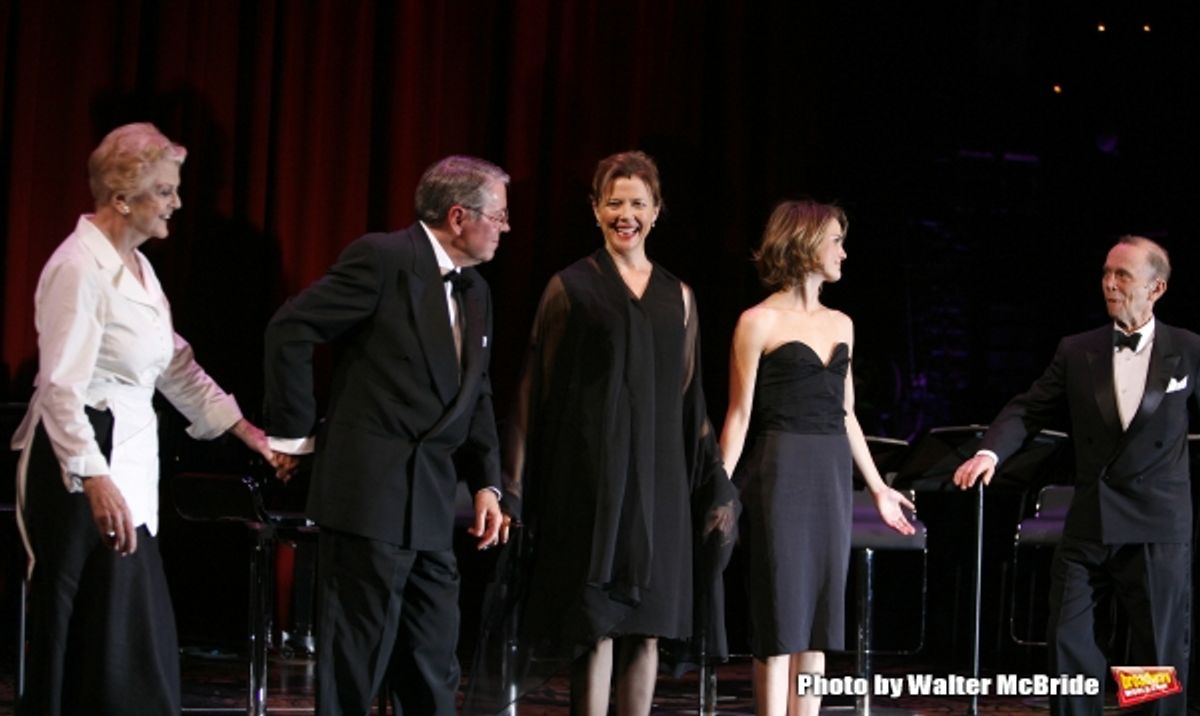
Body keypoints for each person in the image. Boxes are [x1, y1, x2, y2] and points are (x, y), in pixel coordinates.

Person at [9, 122, 276, 715]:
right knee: (95, 635)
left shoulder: (137, 268)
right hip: (79, 469)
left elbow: (171, 363)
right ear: (123, 197)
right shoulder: (78, 268)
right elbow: (59, 387)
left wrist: (243, 429)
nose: (177, 203)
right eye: (165, 191)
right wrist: (94, 479)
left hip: (125, 468)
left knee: (129, 637)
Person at [263, 155, 509, 715]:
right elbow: (291, 329)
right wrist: (296, 437)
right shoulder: (384, 259)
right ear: (457, 215)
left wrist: (487, 484)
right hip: (369, 500)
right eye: (498, 216)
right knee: (355, 664)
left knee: (432, 661)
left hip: (433, 504)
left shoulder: (476, 291)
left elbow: (479, 392)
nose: (505, 227)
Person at [494, 150, 737, 715]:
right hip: (592, 487)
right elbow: (534, 392)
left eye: (637, 203)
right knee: (595, 627)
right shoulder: (572, 287)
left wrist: (715, 483)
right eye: (614, 202)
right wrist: (513, 484)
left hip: (660, 489)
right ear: (596, 209)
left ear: (657, 211)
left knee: (647, 627)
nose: (625, 214)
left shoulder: (679, 296)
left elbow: (688, 397)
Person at [954, 236, 1199, 716]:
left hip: (1156, 526)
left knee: (1153, 657)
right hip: (1090, 523)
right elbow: (1027, 409)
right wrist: (990, 454)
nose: (1109, 283)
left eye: (1123, 275)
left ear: (1157, 288)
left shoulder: (1189, 350)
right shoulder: (1078, 350)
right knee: (1070, 645)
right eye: (1106, 273)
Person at [718, 199, 915, 716]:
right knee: (781, 615)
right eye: (836, 240)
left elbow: (846, 413)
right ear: (805, 244)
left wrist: (877, 487)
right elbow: (738, 417)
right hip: (780, 472)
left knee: (819, 621)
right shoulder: (756, 322)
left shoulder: (842, 323)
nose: (844, 253)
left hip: (830, 476)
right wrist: (717, 488)